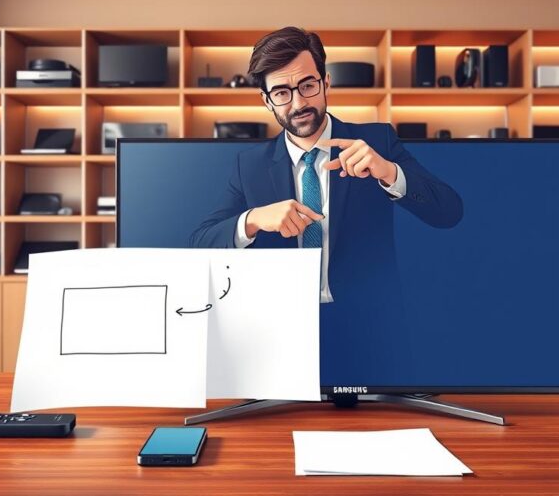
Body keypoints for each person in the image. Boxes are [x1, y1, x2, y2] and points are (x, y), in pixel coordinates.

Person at [189, 26, 464, 378]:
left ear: (326, 83)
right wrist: (253, 219)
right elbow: (200, 242)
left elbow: (449, 211)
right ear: (266, 100)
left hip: (371, 338)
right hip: (280, 342)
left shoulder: (377, 140)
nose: (300, 103)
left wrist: (388, 171)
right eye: (282, 92)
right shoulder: (250, 165)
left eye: (307, 85)